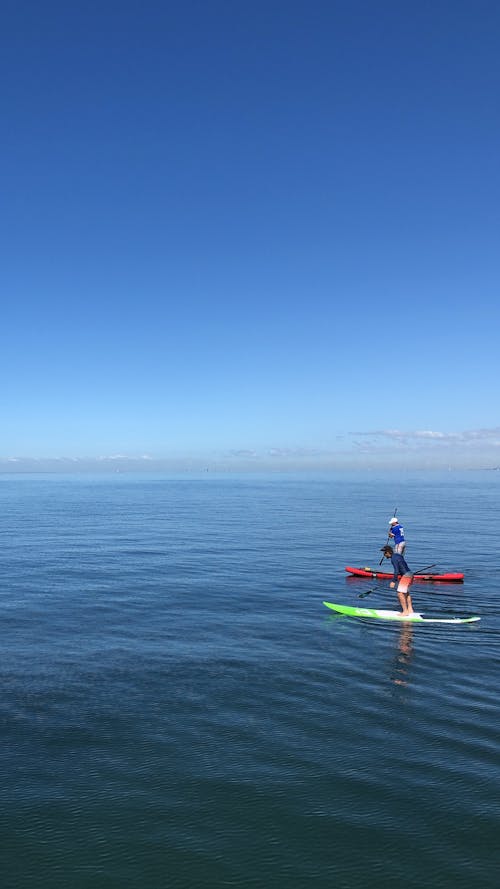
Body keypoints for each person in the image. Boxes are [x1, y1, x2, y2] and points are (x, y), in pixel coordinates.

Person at [380, 544, 414, 616]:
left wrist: (393, 581)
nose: (384, 555)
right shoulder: (398, 555)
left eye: (384, 553)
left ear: (388, 552)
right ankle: (410, 609)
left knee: (400, 593)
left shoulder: (393, 559)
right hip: (410, 574)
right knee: (406, 593)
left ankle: (405, 611)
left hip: (406, 576)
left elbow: (396, 571)